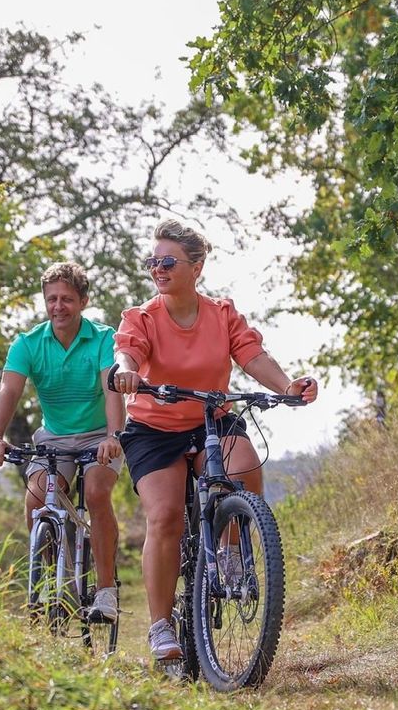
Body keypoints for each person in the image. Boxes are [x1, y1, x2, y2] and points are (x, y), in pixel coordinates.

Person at [111, 219, 318, 661]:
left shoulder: (221, 314)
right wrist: (127, 369)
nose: (158, 269)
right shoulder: (142, 317)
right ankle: (160, 627)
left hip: (211, 417)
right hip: (154, 428)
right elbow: (127, 349)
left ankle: (232, 553)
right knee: (165, 516)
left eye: (168, 261)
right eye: (153, 261)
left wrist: (285, 386)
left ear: (197, 266)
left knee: (244, 468)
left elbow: (252, 354)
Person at [0, 262, 125, 621]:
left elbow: (112, 390)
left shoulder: (104, 338)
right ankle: (50, 579)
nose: (58, 306)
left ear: (83, 301)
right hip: (55, 438)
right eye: (52, 299)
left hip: (98, 435)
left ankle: (106, 592)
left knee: (95, 493)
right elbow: (9, 391)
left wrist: (113, 436)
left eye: (67, 299)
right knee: (36, 499)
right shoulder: (28, 344)